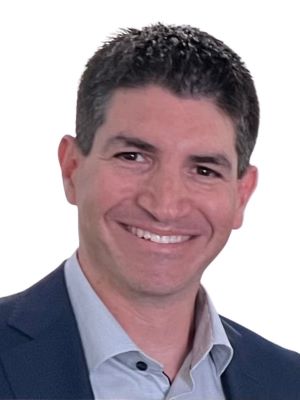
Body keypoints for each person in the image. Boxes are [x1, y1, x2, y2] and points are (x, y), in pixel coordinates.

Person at [0, 23, 299, 400]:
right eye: (133, 156)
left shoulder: (289, 383)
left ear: (242, 195)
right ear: (72, 168)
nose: (165, 205)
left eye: (204, 170)